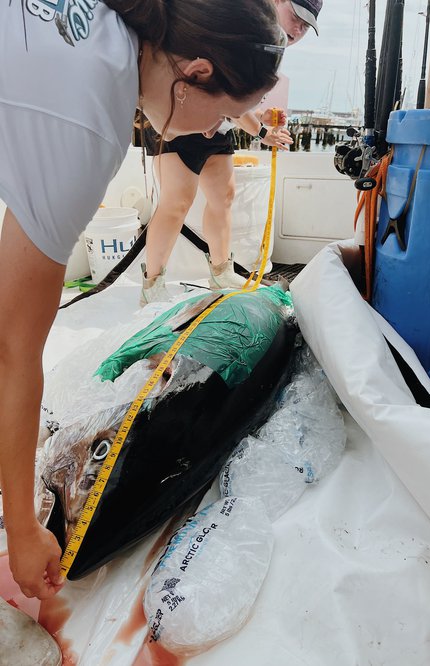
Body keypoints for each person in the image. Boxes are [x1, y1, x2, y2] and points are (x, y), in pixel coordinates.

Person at [0, 0, 286, 602]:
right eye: (224, 116)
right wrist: (23, 531)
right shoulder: (89, 125)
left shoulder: (115, 26)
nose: (213, 133)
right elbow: (11, 350)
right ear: (198, 72)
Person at [140, 0, 323, 304]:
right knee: (176, 201)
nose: (298, 29)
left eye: (306, 26)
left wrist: (258, 117)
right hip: (179, 110)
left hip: (218, 124)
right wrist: (262, 133)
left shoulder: (268, 50)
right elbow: (225, 94)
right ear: (275, 2)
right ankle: (152, 285)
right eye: (296, 17)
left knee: (223, 196)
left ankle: (221, 270)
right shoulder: (238, 27)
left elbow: (234, 103)